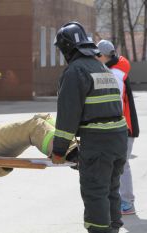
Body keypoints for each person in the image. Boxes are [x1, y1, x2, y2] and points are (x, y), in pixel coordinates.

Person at [52, 22, 128, 233]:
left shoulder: (75, 71)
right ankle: (113, 228)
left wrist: (59, 150)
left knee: (95, 192)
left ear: (67, 47)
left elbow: (68, 116)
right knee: (111, 190)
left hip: (98, 142)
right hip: (118, 139)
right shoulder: (102, 67)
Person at [97, 39, 140, 215]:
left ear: (103, 56)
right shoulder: (114, 70)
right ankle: (121, 201)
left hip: (124, 127)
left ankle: (127, 202)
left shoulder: (115, 74)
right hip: (124, 126)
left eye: (96, 55)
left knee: (122, 165)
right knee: (118, 164)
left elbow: (117, 104)